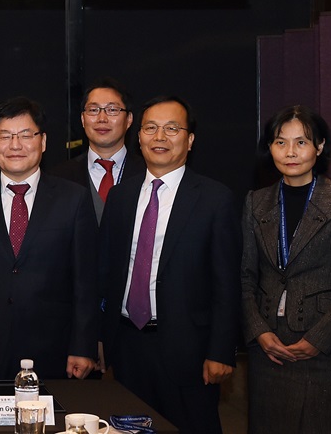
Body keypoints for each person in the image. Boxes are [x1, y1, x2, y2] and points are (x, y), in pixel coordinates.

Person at [99, 96, 240, 434]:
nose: (159, 137)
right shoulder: (120, 197)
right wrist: (100, 339)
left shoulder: (214, 199)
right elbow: (105, 272)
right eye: (151, 128)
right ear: (140, 137)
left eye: (172, 129)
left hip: (188, 349)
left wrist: (221, 350)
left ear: (190, 140)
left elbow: (227, 282)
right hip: (127, 344)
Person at [240, 105, 331, 433]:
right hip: (268, 351)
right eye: (280, 143)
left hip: (322, 350)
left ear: (320, 146)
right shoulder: (256, 202)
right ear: (269, 148)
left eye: (301, 142)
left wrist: (320, 338)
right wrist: (258, 331)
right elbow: (246, 276)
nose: (290, 152)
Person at [0, 96, 98, 381]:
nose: (15, 145)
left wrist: (83, 345)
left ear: (43, 141)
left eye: (25, 135)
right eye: (6, 136)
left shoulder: (73, 198)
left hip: (54, 351)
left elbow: (86, 281)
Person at [48, 78, 146, 221]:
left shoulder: (148, 173)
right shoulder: (58, 177)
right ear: (82, 119)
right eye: (93, 110)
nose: (102, 118)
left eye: (112, 110)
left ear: (129, 119)